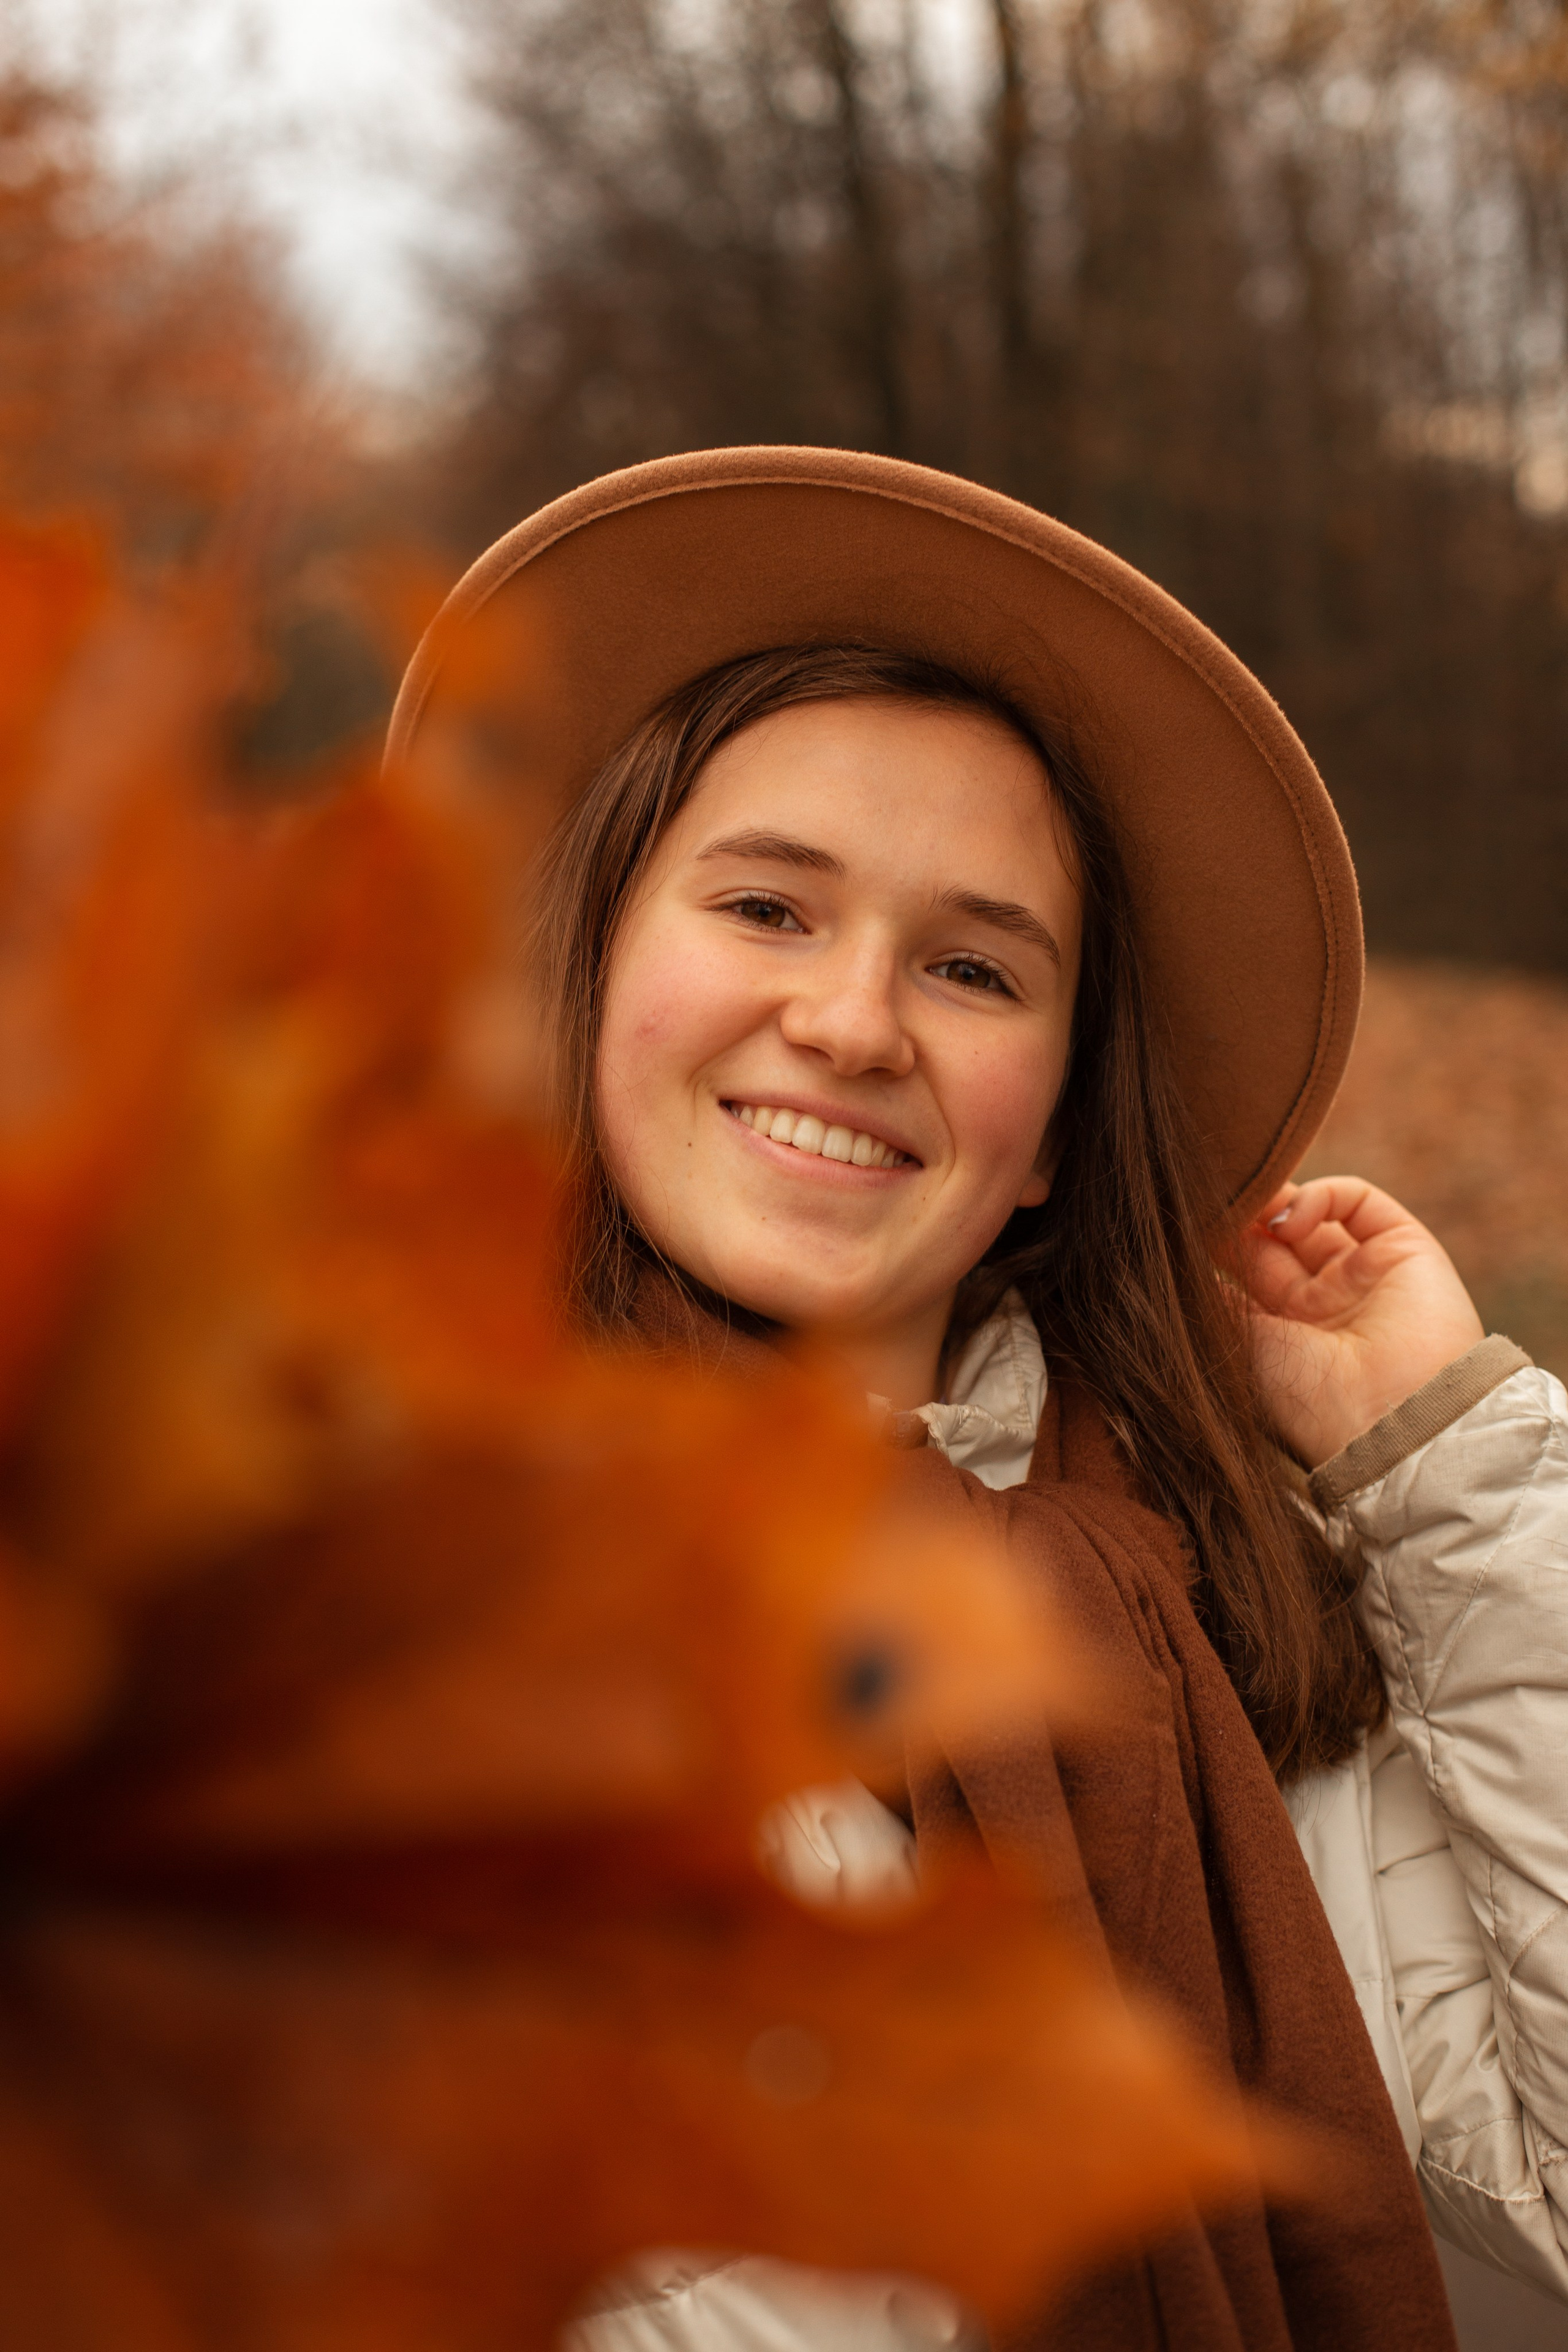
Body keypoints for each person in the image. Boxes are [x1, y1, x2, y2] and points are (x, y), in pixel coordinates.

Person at [389, 449, 1568, 2351]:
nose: (857, 1024)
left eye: (970, 965)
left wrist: (1452, 1478)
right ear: (595, 970)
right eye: (769, 909)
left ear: (1048, 1137)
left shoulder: (1249, 1645)